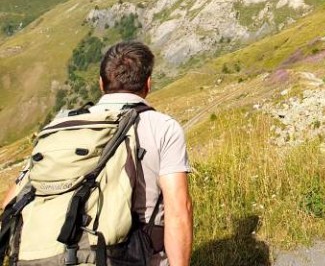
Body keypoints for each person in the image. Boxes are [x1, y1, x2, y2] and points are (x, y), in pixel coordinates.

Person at [2, 41, 193, 266]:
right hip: (127, 257)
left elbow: (11, 202)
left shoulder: (61, 127)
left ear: (101, 83)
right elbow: (179, 211)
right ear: (148, 84)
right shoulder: (163, 127)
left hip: (47, 255)